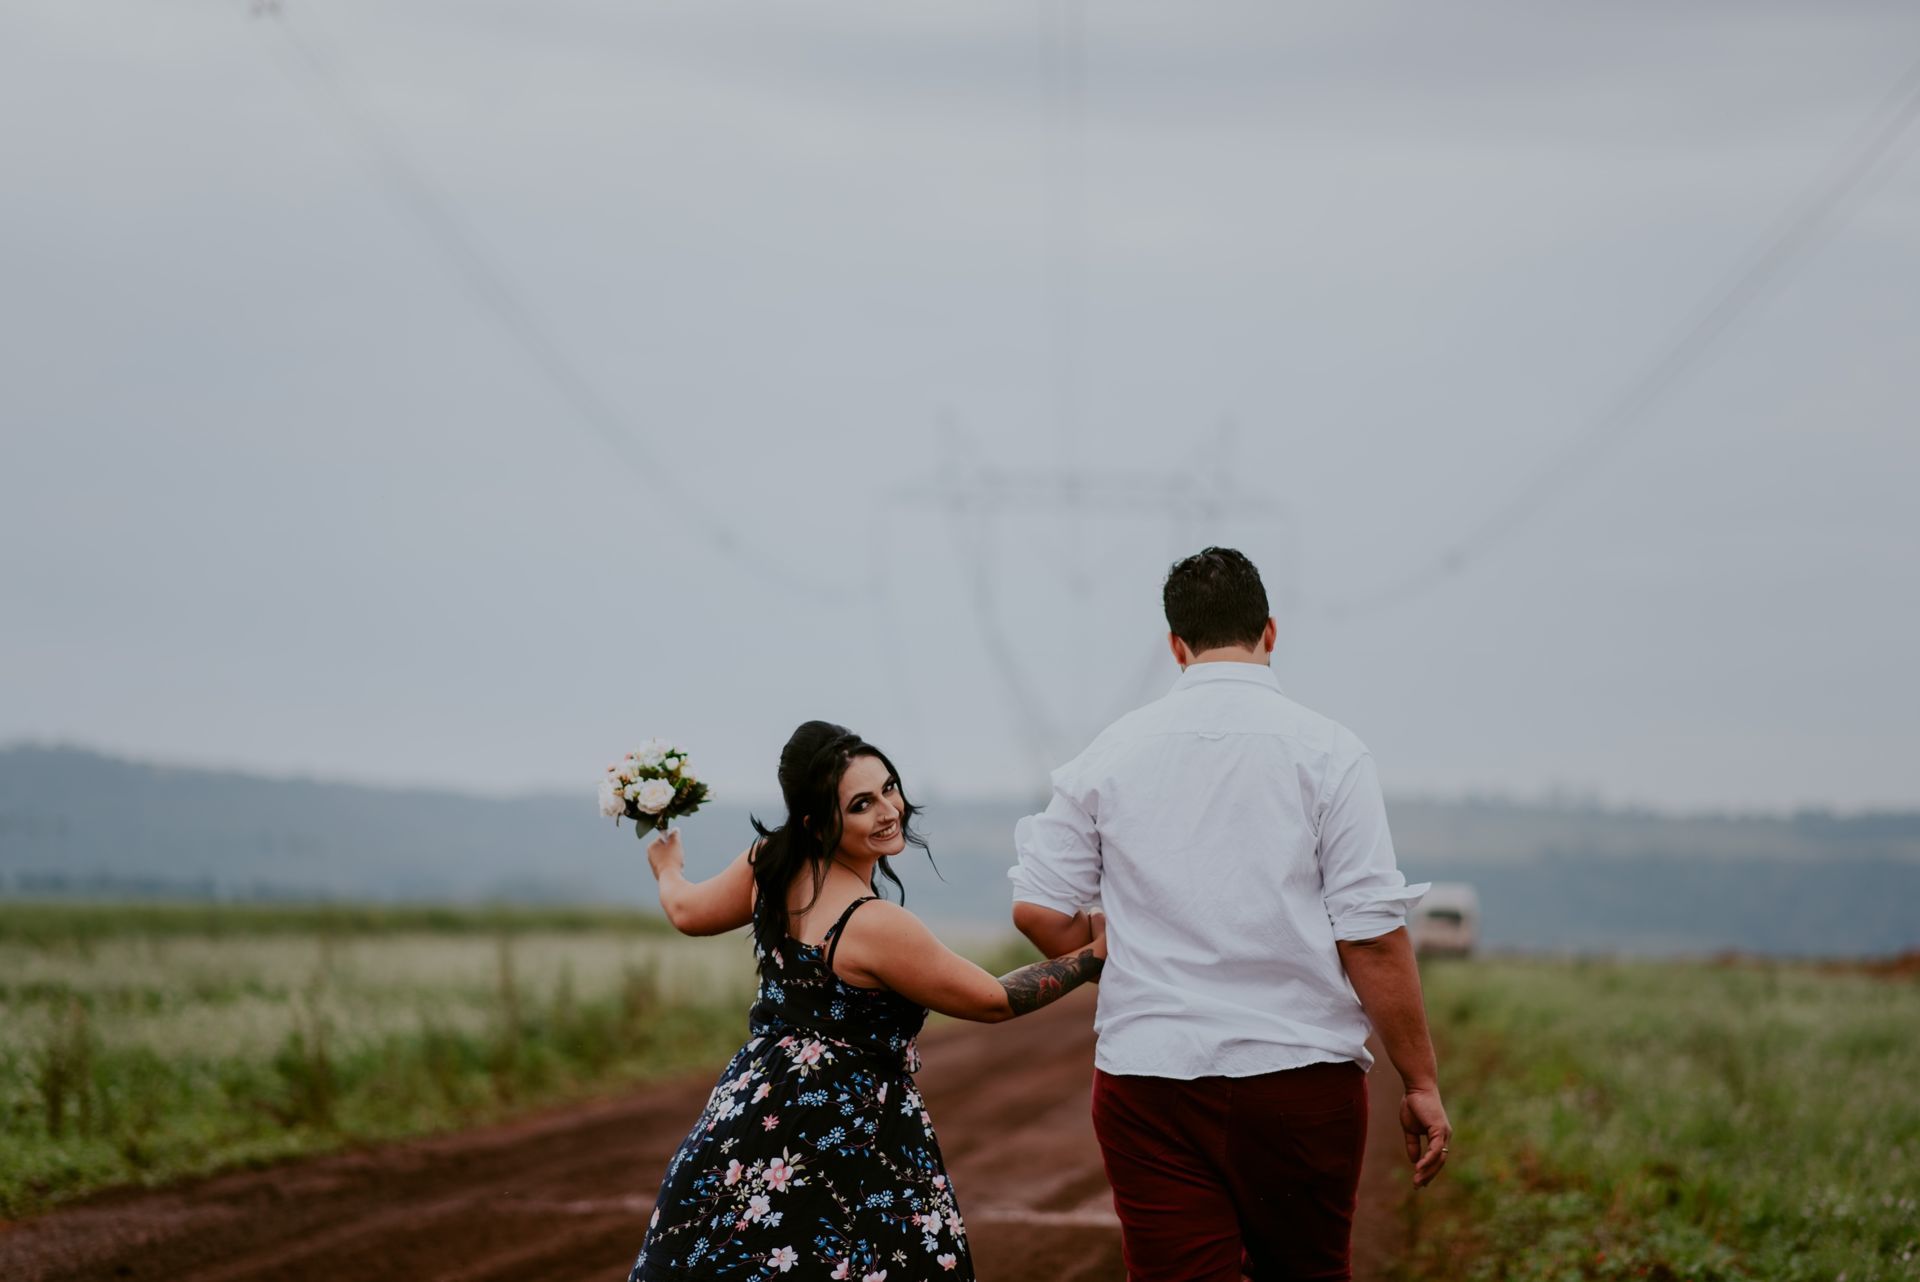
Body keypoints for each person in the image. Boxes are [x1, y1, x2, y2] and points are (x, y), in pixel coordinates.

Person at [1007, 547, 1452, 1282]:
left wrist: (1113, 947)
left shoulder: (1108, 755)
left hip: (1150, 1083)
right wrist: (1420, 1082)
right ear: (1270, 633)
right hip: (1301, 1083)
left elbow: (1039, 908)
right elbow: (1371, 937)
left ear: (1175, 646)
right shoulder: (1331, 753)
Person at [627, 720, 1106, 1282]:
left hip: (748, 1115)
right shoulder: (874, 923)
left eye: (888, 788)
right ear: (818, 822)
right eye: (861, 804)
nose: (887, 810)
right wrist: (1093, 956)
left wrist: (668, 868)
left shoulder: (770, 862)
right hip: (848, 1135)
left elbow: (686, 911)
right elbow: (994, 999)